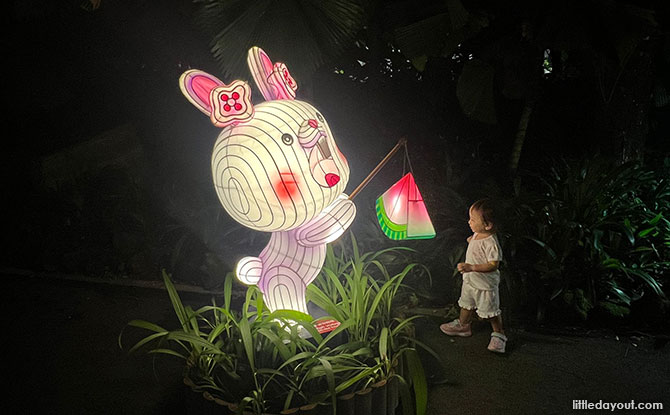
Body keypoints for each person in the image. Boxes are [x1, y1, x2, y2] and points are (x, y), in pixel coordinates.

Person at [440, 198, 507, 353]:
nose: (469, 222)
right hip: (470, 281)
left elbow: (493, 265)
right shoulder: (477, 234)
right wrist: (472, 241)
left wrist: (471, 267)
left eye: (473, 219)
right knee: (466, 304)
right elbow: (475, 243)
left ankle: (499, 334)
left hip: (485, 285)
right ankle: (463, 325)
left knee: (491, 310)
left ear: (488, 225)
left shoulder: (491, 243)